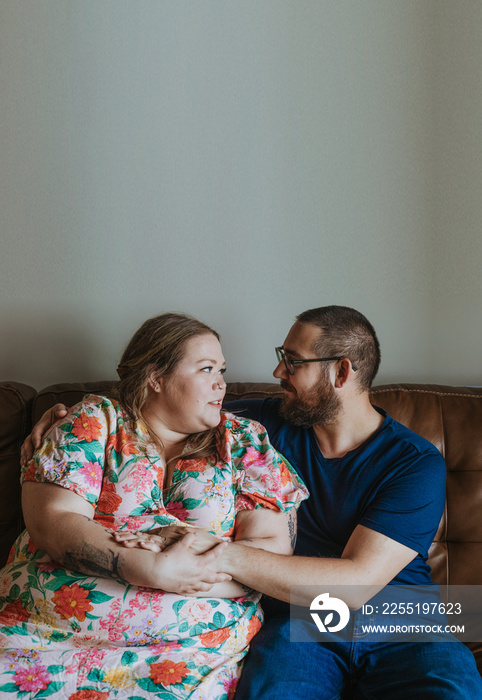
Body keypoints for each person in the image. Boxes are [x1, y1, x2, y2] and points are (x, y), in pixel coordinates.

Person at [26, 306, 482, 698]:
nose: (277, 373)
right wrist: (62, 418)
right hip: (298, 618)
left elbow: (357, 584)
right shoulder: (263, 423)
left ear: (341, 372)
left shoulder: (414, 461)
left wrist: (209, 550)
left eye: (293, 361)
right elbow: (156, 409)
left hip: (399, 615)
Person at [1, 312, 308, 699]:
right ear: (155, 377)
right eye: (206, 368)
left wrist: (183, 562)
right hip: (44, 631)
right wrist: (149, 567)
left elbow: (271, 550)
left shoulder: (244, 440)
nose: (221, 382)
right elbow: (53, 522)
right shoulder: (95, 421)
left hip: (189, 647)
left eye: (222, 370)